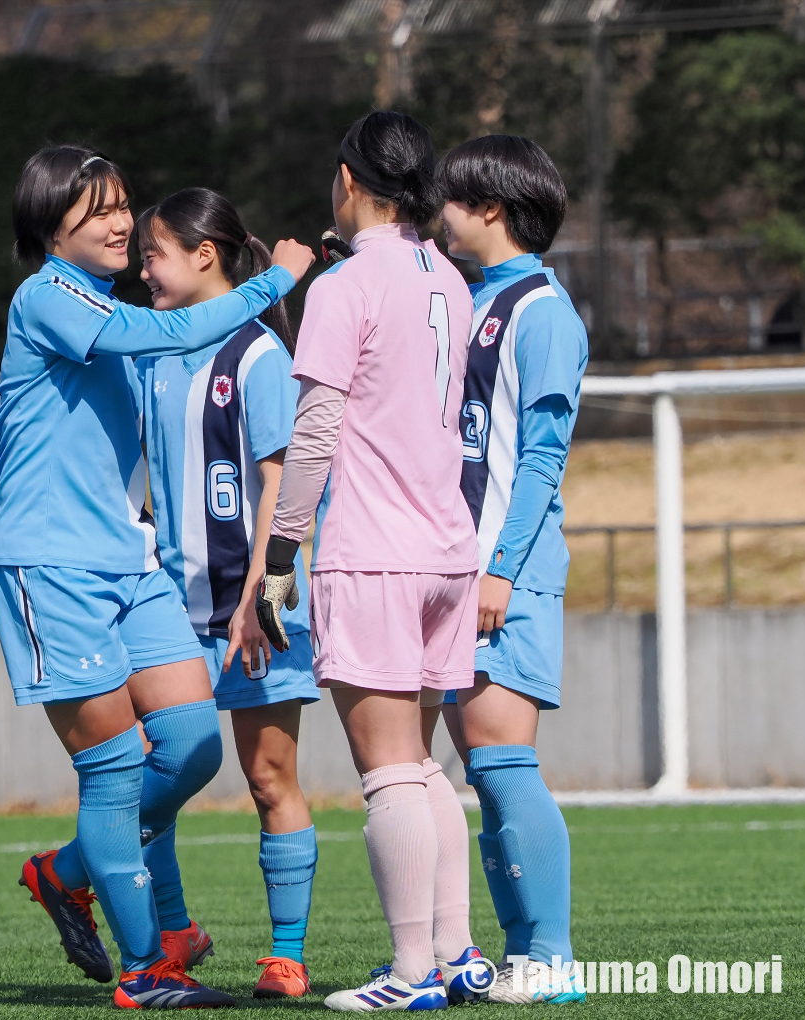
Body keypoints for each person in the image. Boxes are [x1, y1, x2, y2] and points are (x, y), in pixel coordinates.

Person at [0, 144, 314, 1009]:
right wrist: (270, 281)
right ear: (50, 225)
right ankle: (147, 970)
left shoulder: (108, 306)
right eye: (96, 209)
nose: (119, 222)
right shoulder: (49, 298)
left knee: (192, 746)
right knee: (114, 773)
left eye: (122, 205)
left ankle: (67, 871)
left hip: (129, 569)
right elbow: (175, 329)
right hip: (53, 567)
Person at [254, 112, 493, 1012]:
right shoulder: (449, 277)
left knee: (387, 768)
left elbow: (314, 427)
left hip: (376, 552)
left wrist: (282, 550)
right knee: (425, 763)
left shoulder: (344, 285)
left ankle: (410, 973)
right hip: (445, 551)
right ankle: (457, 952)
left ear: (350, 181)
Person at [133, 188, 320, 1000]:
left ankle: (285, 954)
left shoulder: (258, 357)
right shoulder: (146, 354)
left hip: (255, 609)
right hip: (166, 615)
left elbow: (283, 486)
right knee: (156, 776)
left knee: (269, 775)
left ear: (204, 256)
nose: (143, 270)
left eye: (155, 255)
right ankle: (174, 935)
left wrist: (256, 595)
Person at [437, 134, 588, 1006]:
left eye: (452, 199)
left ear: (490, 208)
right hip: (460, 571)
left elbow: (541, 459)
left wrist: (499, 569)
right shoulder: (475, 297)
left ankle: (554, 952)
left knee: (502, 763)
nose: (439, 213)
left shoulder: (544, 312)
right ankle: (519, 951)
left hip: (508, 571)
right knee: (484, 775)